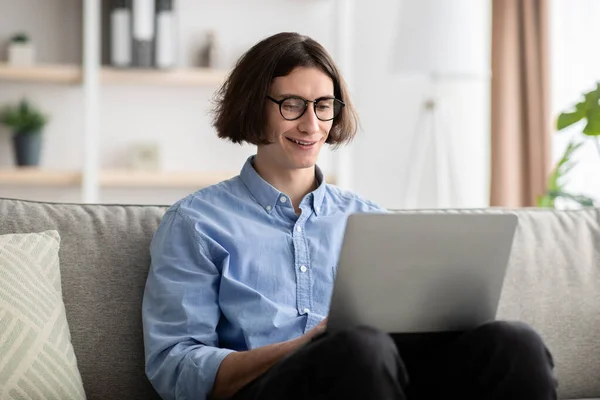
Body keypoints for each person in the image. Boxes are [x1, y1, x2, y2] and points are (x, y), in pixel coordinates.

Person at [142, 32, 558, 400]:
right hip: (279, 386)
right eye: (292, 105)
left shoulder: (369, 219)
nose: (311, 124)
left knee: (513, 343)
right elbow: (175, 366)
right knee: (359, 349)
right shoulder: (196, 222)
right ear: (255, 106)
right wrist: (304, 346)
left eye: (323, 106)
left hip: (383, 375)